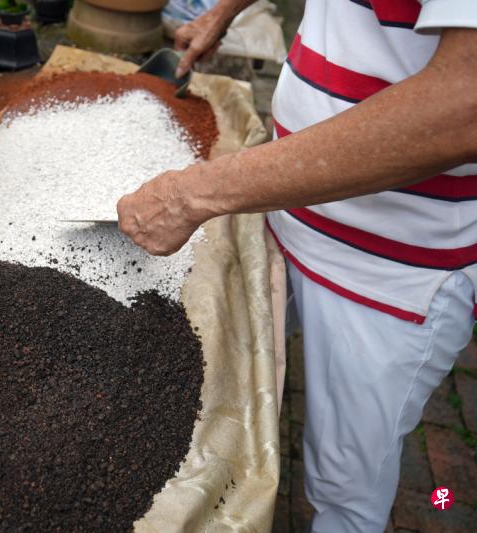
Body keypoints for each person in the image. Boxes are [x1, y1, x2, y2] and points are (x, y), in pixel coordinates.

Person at [117, 0, 477, 531]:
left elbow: (464, 102)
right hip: (286, 215)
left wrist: (192, 193)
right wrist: (223, 12)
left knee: (345, 490)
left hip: (388, 271)